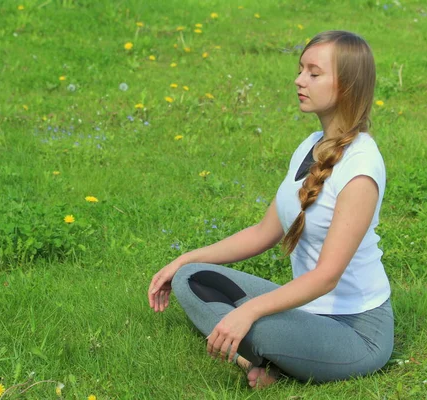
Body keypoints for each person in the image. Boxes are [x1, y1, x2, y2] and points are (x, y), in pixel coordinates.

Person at [147, 30, 394, 387]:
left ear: (347, 85)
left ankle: (260, 358)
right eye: (300, 69)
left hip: (356, 332)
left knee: (254, 323)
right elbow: (263, 234)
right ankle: (262, 359)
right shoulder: (311, 145)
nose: (299, 80)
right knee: (192, 277)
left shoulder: (360, 170)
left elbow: (327, 277)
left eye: (313, 73)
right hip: (307, 313)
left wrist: (248, 311)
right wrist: (183, 258)